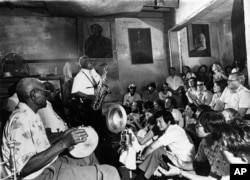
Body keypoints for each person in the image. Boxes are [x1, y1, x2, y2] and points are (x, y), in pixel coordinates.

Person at [1, 78, 120, 180]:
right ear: (33, 94)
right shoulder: (20, 120)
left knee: (88, 156)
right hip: (39, 175)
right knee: (110, 172)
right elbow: (23, 169)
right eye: (44, 92)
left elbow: (39, 144)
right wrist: (64, 143)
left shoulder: (30, 114)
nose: (47, 95)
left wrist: (63, 135)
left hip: (47, 166)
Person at [153, 123, 250, 180]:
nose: (219, 149)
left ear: (242, 157)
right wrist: (180, 171)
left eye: (223, 147)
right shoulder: (233, 167)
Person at [134, 111, 195, 180]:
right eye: (156, 122)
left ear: (168, 122)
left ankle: (142, 175)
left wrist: (143, 157)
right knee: (157, 151)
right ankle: (142, 175)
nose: (157, 124)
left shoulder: (173, 131)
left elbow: (152, 147)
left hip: (184, 165)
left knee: (157, 151)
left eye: (160, 122)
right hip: (179, 160)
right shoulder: (174, 128)